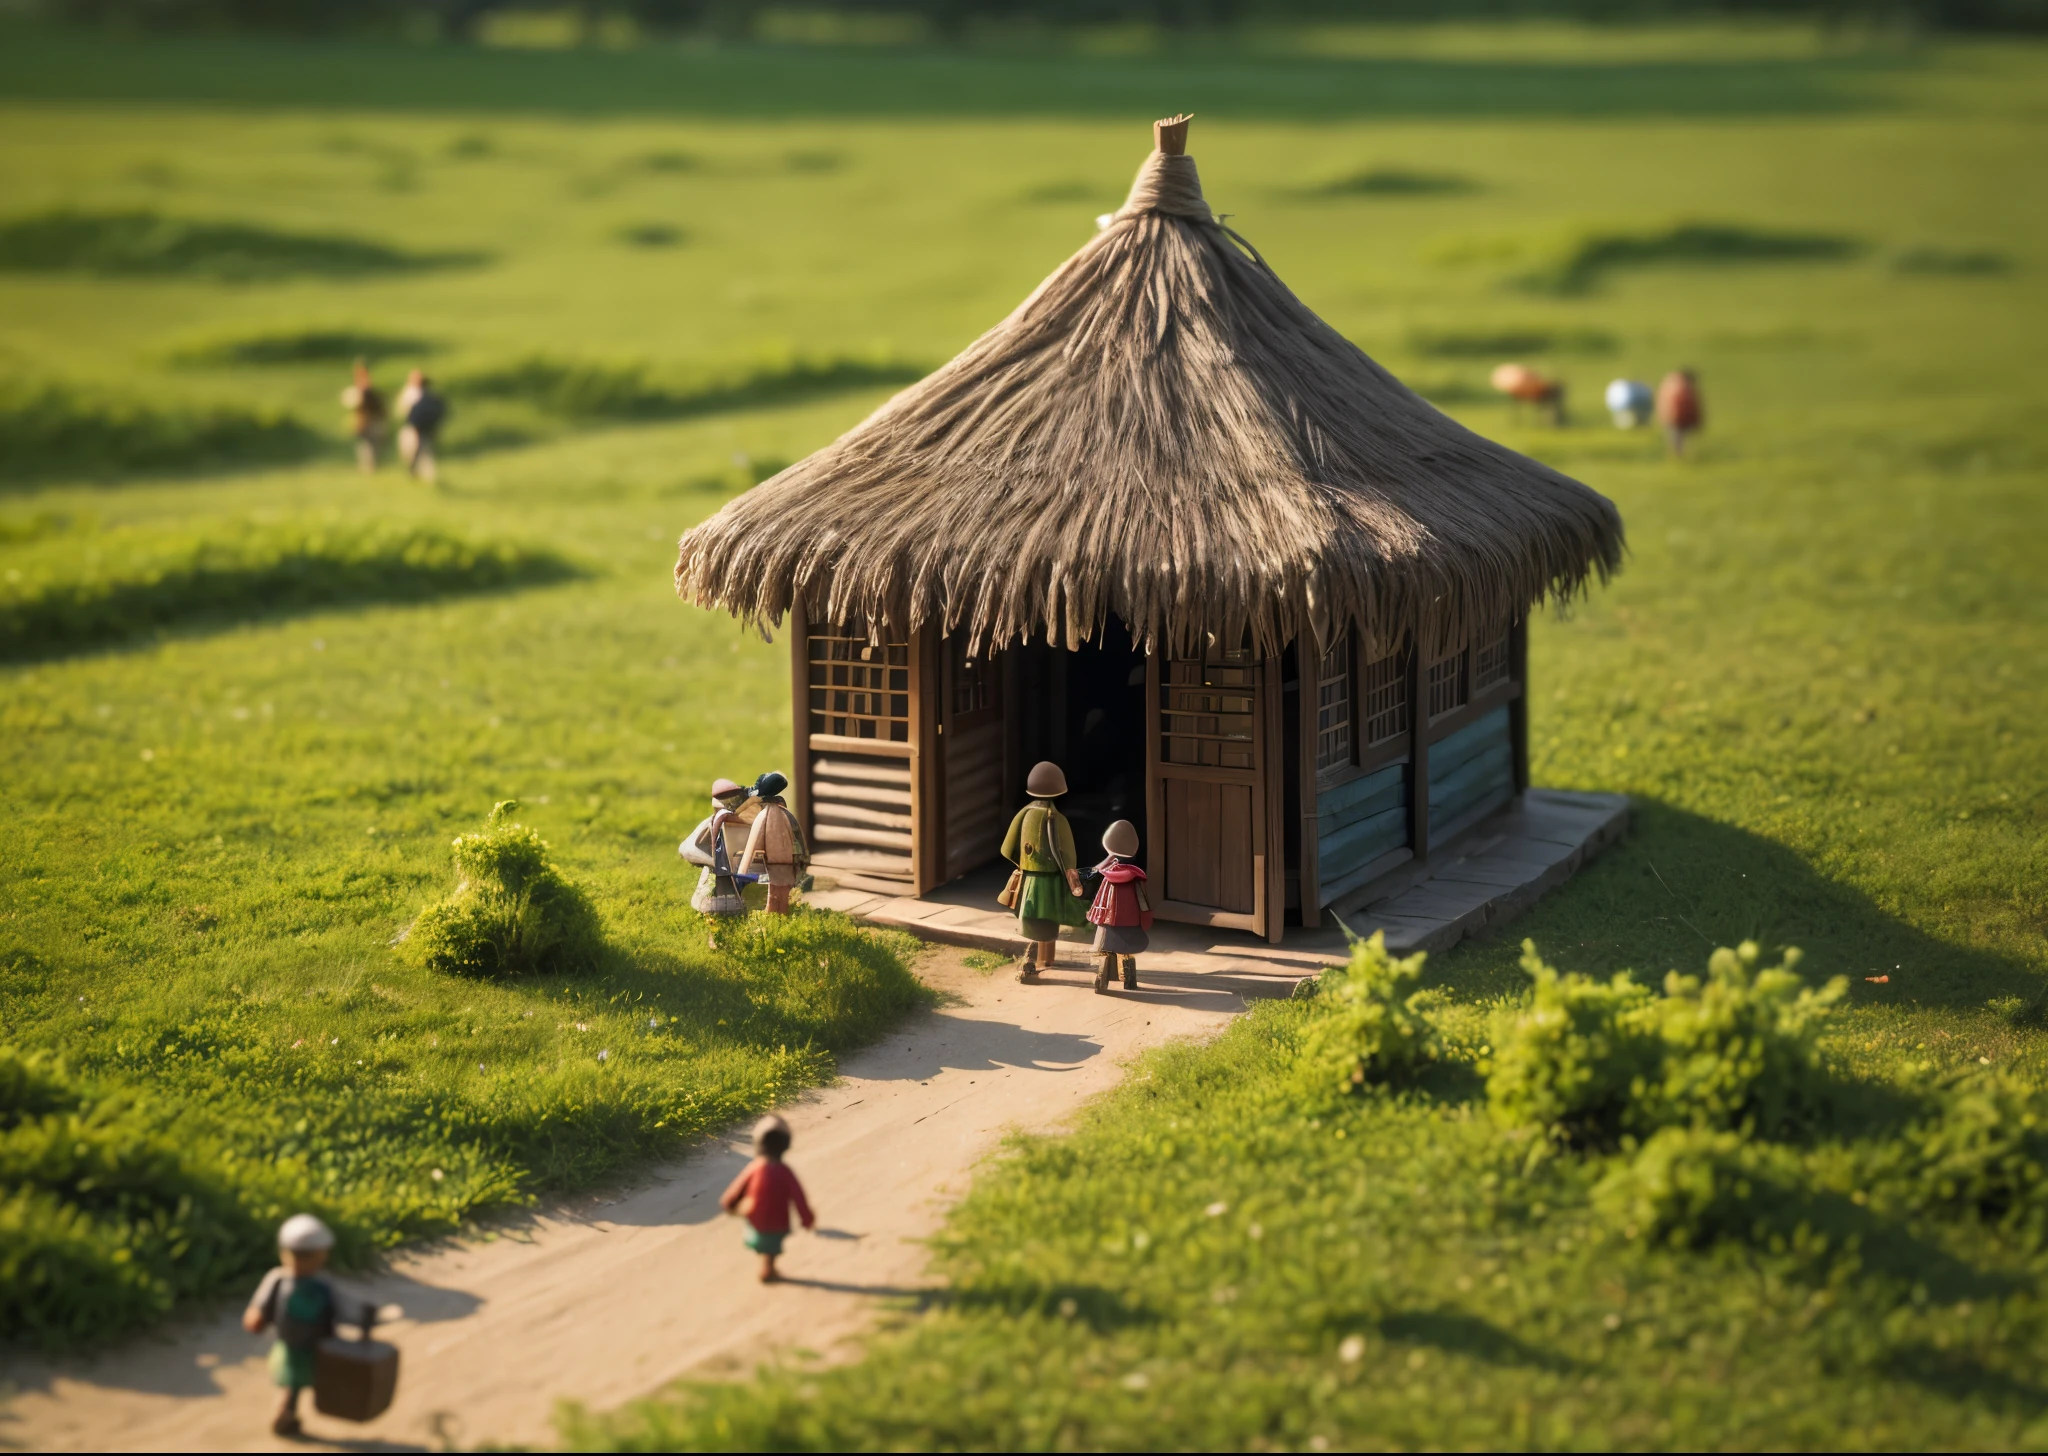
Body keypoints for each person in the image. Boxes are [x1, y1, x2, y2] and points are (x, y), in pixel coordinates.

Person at [242, 1214, 374, 1439]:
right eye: (297, 1256)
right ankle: (285, 1415)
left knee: (299, 1384)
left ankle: (289, 1413)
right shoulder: (281, 1280)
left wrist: (362, 1318)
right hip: (298, 1349)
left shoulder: (318, 1285)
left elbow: (342, 1309)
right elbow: (259, 1308)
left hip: (316, 1348)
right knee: (293, 1386)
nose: (300, 1262)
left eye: (305, 1256)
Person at [998, 761, 1087, 983]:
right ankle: (1047, 961)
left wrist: (1024, 863)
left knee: (1031, 920)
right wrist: (1071, 877)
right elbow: (1068, 855)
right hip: (1051, 881)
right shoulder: (1058, 819)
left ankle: (1034, 960)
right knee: (1049, 918)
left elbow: (1006, 848)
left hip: (1029, 879)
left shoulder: (1023, 814)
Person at [719, 1114, 814, 1283]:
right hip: (778, 1220)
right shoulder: (786, 1172)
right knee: (772, 1245)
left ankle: (765, 1263)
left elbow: (737, 1189)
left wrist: (730, 1203)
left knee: (761, 1237)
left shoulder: (754, 1168)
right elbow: (799, 1198)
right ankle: (768, 1267)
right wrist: (807, 1218)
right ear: (786, 1145)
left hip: (757, 1217)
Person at [1086, 819, 1152, 994]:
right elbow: (1142, 901)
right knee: (1127, 953)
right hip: (1130, 922)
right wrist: (1145, 916)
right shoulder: (1135, 878)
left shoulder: (1108, 876)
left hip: (1107, 922)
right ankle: (1129, 981)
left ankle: (1101, 980)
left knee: (1104, 953)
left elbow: (1100, 900)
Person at [736, 771, 809, 915]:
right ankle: (781, 918)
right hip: (788, 864)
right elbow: (799, 837)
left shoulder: (765, 815)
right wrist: (801, 859)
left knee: (773, 896)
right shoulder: (786, 814)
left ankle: (773, 922)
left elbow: (755, 841)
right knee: (783, 896)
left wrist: (744, 868)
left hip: (772, 866)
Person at [680, 778, 753, 916]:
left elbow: (687, 849)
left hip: (728, 869)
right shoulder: (727, 820)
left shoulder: (720, 821)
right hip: (729, 869)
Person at [340, 359, 387, 472]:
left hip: (371, 422)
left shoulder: (368, 391)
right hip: (363, 423)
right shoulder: (358, 390)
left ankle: (372, 468)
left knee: (371, 448)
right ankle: (368, 468)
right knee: (365, 448)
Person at [401, 371, 448, 483]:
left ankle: (428, 478)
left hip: (423, 429)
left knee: (425, 453)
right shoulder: (410, 394)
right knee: (412, 453)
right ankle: (414, 474)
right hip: (413, 429)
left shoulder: (430, 397)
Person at [1655, 368, 1702, 457]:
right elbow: (1682, 404)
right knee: (1678, 438)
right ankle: (1679, 457)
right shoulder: (1682, 387)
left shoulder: (1670, 382)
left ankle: (1678, 456)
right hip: (1677, 417)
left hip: (1669, 416)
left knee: (1675, 438)